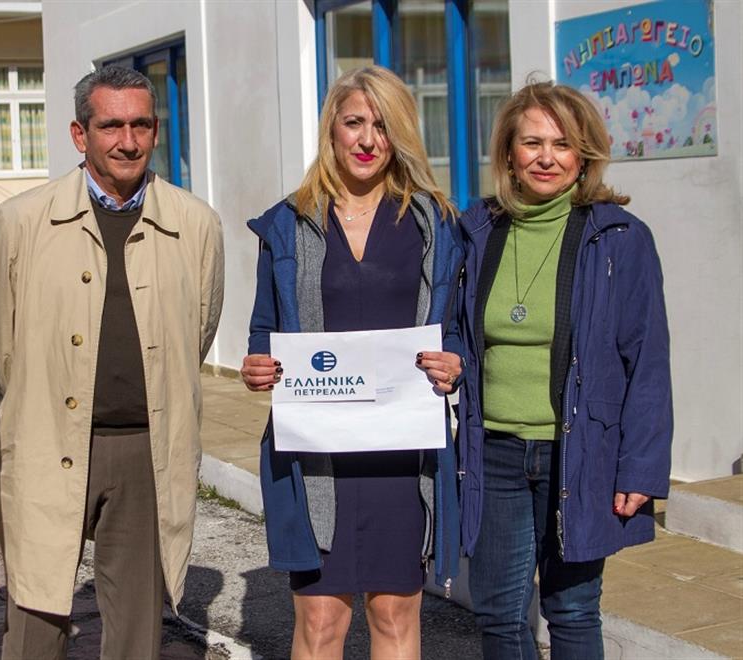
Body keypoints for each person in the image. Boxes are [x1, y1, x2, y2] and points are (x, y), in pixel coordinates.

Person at [0, 64, 224, 660]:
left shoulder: (195, 224)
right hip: (46, 441)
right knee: (34, 623)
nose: (127, 141)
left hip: (145, 452)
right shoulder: (20, 221)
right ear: (79, 134)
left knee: (137, 631)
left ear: (156, 131)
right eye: (111, 125)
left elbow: (198, 330)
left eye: (141, 125)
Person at [240, 65, 463, 660]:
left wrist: (455, 362)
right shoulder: (289, 223)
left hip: (401, 453)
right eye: (354, 123)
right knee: (320, 622)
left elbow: (458, 328)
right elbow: (264, 327)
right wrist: (258, 364)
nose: (367, 140)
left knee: (394, 614)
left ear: (401, 134)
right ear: (332, 131)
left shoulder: (434, 225)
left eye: (382, 126)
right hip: (318, 456)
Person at [457, 81, 672, 659]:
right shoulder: (477, 230)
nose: (546, 157)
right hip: (493, 451)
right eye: (532, 143)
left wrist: (641, 468)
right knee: (499, 613)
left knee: (572, 610)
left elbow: (647, 360)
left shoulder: (619, 237)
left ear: (584, 155)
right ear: (509, 153)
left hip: (579, 452)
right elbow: (451, 327)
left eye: (562, 144)